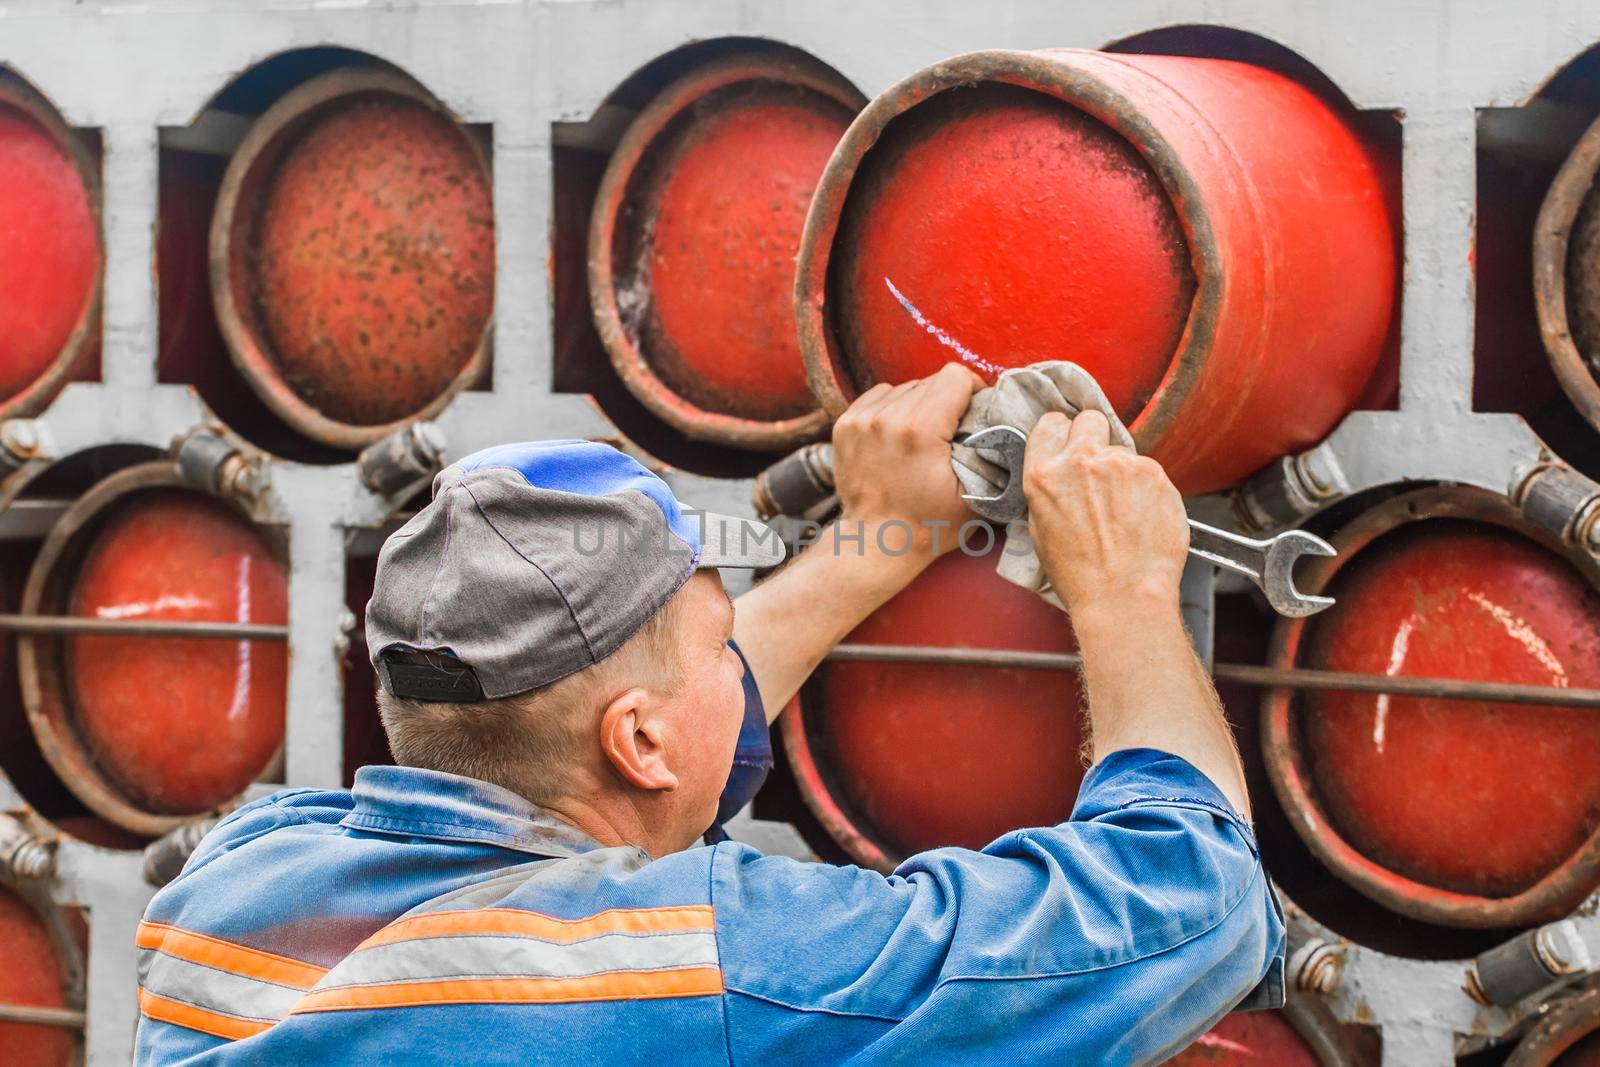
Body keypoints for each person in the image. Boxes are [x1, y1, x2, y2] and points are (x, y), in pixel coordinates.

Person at [133, 363, 1284, 1066]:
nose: (739, 670)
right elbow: (1196, 901)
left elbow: (647, 783)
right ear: (634, 734)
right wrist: (1125, 586)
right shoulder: (692, 970)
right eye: (717, 647)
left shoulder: (241, 870)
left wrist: (879, 534)